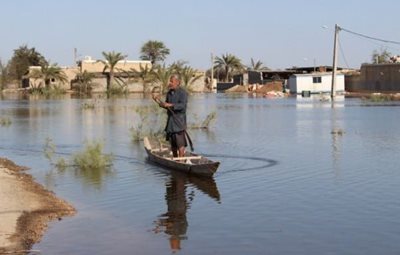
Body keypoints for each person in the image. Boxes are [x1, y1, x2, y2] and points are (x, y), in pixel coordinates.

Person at [154, 74, 188, 158]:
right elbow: (166, 106)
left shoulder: (182, 93)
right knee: (173, 145)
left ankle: (181, 161)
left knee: (180, 144)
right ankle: (176, 160)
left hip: (179, 122)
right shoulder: (169, 93)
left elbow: (182, 106)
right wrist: (157, 101)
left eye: (171, 81)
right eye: (170, 81)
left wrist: (170, 105)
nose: (170, 83)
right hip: (171, 122)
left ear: (177, 82)